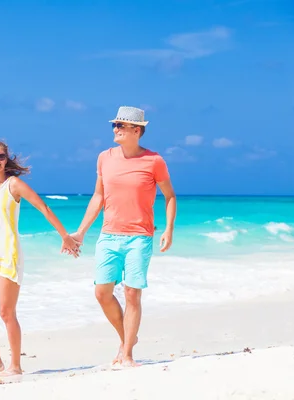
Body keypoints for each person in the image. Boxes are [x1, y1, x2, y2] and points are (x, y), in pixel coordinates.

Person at [69, 106, 177, 367]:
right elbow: (98, 196)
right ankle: (127, 338)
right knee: (102, 293)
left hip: (139, 237)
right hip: (108, 236)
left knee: (132, 294)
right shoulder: (104, 158)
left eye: (121, 125)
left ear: (137, 131)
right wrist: (81, 232)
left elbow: (170, 196)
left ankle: (127, 353)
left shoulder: (154, 161)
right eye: (114, 125)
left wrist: (168, 229)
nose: (115, 129)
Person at [0, 139, 80, 379]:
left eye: (0, 156)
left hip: (10, 252)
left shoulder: (14, 185)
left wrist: (65, 236)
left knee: (6, 312)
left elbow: (43, 207)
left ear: (6, 158)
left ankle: (15, 365)